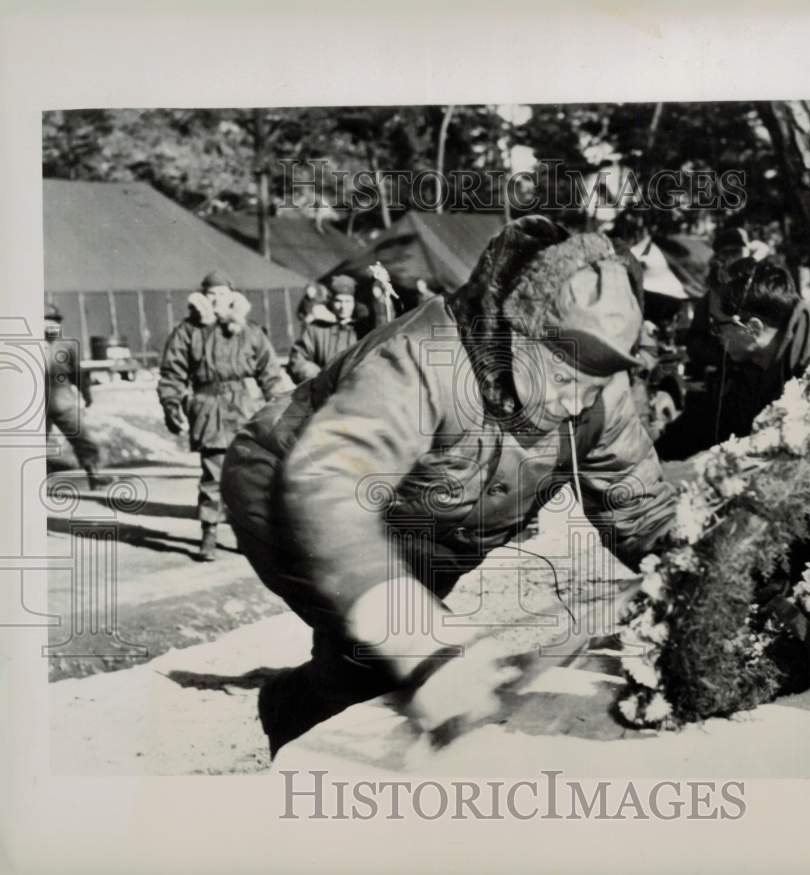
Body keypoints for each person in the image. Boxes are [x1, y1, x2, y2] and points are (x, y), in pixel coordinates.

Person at [221, 216, 680, 756]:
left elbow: (639, 506)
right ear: (518, 333)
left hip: (420, 525)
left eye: (595, 384)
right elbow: (330, 484)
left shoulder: (599, 392)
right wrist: (419, 645)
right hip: (293, 484)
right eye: (562, 379)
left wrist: (694, 561)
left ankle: (306, 706)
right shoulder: (425, 359)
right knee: (379, 662)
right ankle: (297, 734)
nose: (578, 404)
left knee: (391, 670)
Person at [656, 255, 810, 461]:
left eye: (717, 324)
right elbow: (715, 417)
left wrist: (716, 461)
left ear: (753, 328)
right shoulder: (755, 354)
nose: (714, 335)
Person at [157, 270, 286, 562]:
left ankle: (245, 533)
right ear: (202, 297)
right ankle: (209, 533)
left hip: (243, 408)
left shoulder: (249, 331)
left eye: (222, 295)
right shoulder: (188, 331)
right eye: (211, 295)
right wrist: (171, 404)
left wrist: (279, 408)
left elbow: (270, 372)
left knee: (246, 474)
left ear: (232, 297)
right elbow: (172, 374)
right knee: (214, 474)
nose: (216, 300)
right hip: (208, 409)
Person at [43, 303, 109, 490]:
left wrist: (86, 394)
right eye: (47, 321)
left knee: (83, 440)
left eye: (56, 321)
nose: (52, 325)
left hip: (64, 403)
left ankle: (94, 475)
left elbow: (78, 374)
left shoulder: (67, 345)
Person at [286, 275, 360, 384]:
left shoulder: (363, 329)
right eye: (338, 301)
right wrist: (318, 378)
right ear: (330, 302)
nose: (343, 307)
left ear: (354, 302)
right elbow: (298, 360)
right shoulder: (316, 330)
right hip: (323, 393)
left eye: (348, 301)